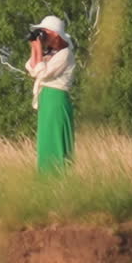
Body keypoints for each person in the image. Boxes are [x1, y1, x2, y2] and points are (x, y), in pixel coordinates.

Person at [25, 15, 75, 173]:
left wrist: (39, 49)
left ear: (54, 34)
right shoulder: (51, 53)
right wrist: (35, 49)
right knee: (46, 141)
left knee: (56, 139)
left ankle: (58, 178)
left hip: (56, 99)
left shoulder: (65, 54)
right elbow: (32, 69)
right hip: (46, 98)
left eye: (44, 32)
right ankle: (45, 179)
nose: (42, 36)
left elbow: (44, 74)